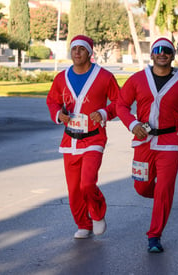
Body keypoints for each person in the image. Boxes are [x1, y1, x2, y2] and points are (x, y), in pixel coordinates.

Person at [116, 37, 178, 253]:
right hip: (143, 140)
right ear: (152, 54)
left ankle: (154, 236)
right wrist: (132, 123)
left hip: (170, 143)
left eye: (167, 50)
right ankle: (159, 197)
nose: (162, 53)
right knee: (142, 186)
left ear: (172, 55)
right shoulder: (138, 79)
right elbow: (121, 105)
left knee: (165, 187)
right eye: (158, 50)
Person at [46, 35, 119, 239]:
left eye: (81, 49)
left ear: (89, 52)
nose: (77, 52)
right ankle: (83, 224)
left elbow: (119, 102)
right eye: (74, 49)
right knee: (74, 190)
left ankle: (97, 214)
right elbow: (52, 101)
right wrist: (58, 115)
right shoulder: (62, 78)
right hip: (70, 140)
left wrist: (104, 113)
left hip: (94, 138)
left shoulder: (104, 77)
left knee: (87, 183)